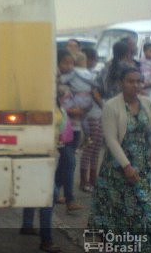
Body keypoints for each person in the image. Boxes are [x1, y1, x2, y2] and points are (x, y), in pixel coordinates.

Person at [88, 65, 151, 235]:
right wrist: (126, 166)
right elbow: (111, 139)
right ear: (121, 83)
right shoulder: (111, 106)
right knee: (116, 211)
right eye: (130, 81)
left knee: (143, 208)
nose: (135, 85)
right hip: (118, 166)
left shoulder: (147, 103)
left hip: (143, 165)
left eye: (139, 81)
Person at [19, 99, 68, 253]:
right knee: (50, 194)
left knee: (36, 189)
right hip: (36, 152)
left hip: (52, 152)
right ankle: (46, 240)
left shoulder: (54, 100)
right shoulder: (38, 99)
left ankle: (27, 225)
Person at [55, 49, 84, 211]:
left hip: (76, 126)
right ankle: (69, 199)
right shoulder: (56, 82)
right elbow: (57, 105)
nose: (69, 66)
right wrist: (71, 111)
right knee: (70, 162)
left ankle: (54, 191)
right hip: (62, 129)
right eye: (66, 62)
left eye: (72, 62)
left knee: (65, 164)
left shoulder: (75, 81)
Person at [77, 48, 104, 193]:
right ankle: (84, 181)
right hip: (91, 115)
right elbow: (94, 94)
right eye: (91, 59)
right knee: (90, 149)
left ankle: (92, 180)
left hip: (97, 114)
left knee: (96, 148)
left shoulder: (89, 75)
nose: (93, 62)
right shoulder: (85, 76)